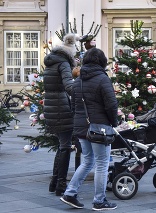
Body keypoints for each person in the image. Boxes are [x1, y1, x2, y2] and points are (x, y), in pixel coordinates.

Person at [60, 47, 118, 211]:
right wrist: (113, 122)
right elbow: (112, 104)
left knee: (87, 161)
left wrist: (78, 123)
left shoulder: (78, 80)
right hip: (100, 127)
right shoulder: (102, 79)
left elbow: (75, 105)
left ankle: (70, 193)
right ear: (102, 62)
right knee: (101, 163)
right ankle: (99, 201)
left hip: (82, 127)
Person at [43, 33, 78, 196]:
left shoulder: (52, 61)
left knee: (62, 145)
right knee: (65, 146)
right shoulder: (64, 64)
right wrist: (82, 91)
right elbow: (69, 87)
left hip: (51, 107)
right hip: (61, 108)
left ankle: (54, 182)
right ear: (70, 52)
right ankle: (61, 185)